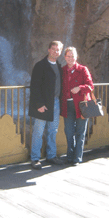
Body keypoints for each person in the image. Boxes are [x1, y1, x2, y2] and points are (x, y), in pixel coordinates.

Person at [28, 41, 64, 169]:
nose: (55, 51)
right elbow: (35, 86)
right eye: (53, 49)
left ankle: (51, 156)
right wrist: (39, 104)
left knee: (52, 131)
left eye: (58, 50)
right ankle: (35, 158)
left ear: (60, 52)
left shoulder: (59, 66)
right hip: (44, 103)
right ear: (48, 50)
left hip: (56, 102)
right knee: (38, 131)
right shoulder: (40, 65)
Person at [61, 47, 94, 166]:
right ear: (64, 57)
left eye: (72, 56)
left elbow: (90, 86)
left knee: (80, 132)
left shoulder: (83, 69)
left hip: (81, 105)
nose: (70, 58)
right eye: (68, 56)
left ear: (76, 57)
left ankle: (77, 158)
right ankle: (69, 156)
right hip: (67, 105)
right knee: (69, 132)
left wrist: (80, 88)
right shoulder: (62, 70)